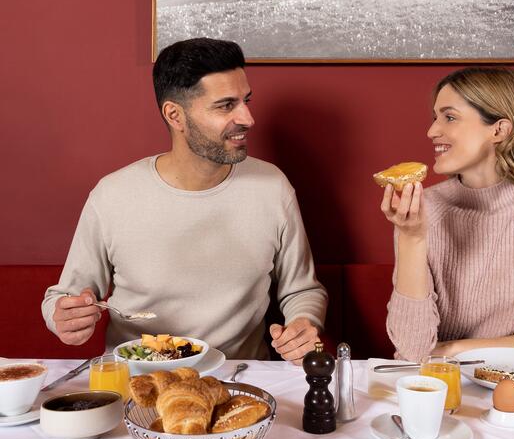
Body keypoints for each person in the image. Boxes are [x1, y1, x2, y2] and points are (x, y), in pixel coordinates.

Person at [42, 38, 327, 362]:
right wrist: (62, 317)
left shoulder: (272, 188)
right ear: (175, 116)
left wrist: (303, 322)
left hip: (240, 379)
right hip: (138, 381)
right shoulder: (112, 196)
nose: (248, 118)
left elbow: (303, 291)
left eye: (245, 101)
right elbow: (62, 298)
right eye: (226, 105)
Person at [381, 67, 514, 363]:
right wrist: (411, 238)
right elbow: (412, 351)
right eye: (435, 117)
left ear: (499, 130)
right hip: (442, 386)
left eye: (450, 117)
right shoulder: (422, 208)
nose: (432, 131)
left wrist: (456, 348)